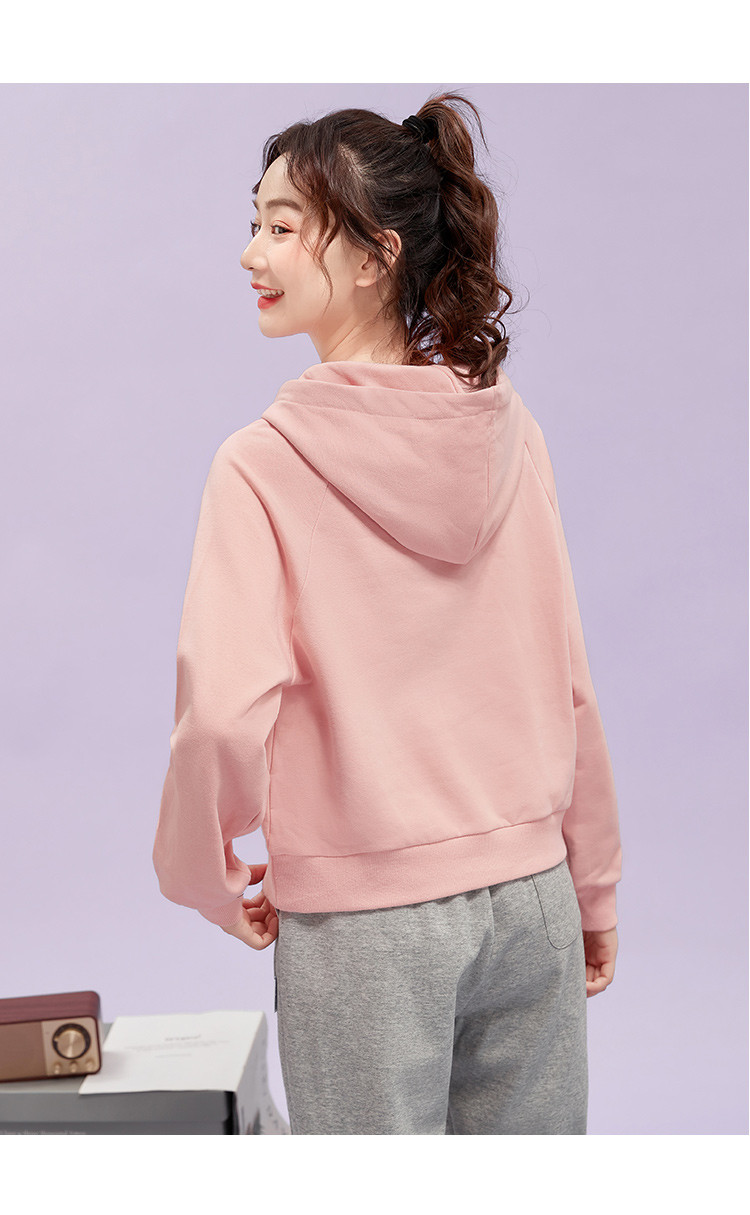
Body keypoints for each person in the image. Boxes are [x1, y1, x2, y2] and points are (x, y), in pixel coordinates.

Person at [152, 91, 622, 1135]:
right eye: (255, 223)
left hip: (367, 926)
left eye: (282, 228)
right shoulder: (513, 434)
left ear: (376, 256)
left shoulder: (261, 467)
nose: (250, 253)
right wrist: (591, 884)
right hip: (534, 895)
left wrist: (206, 876)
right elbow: (569, 679)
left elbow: (223, 714)